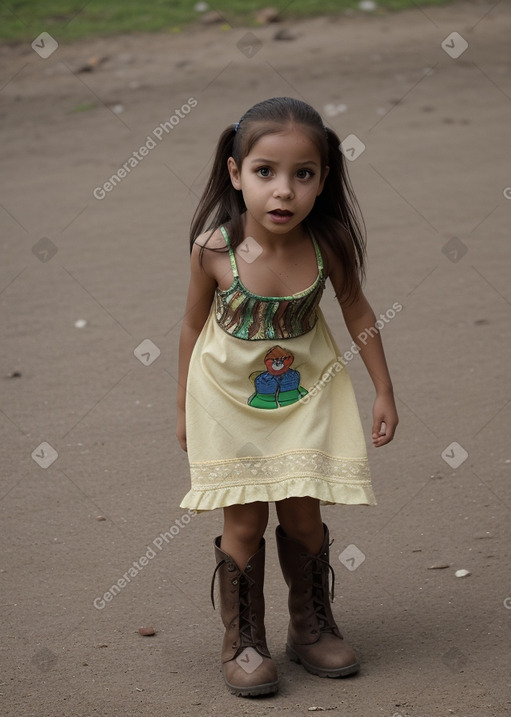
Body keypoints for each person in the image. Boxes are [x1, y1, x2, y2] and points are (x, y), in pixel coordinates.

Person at [176, 97, 398, 697]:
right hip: (226, 399)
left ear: (324, 179)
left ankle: (311, 626)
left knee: (303, 510)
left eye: (303, 174)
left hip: (304, 395)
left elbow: (358, 312)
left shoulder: (327, 246)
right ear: (234, 173)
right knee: (244, 518)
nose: (284, 192)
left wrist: (383, 389)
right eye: (265, 172)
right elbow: (192, 328)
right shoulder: (215, 250)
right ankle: (243, 640)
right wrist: (182, 407)